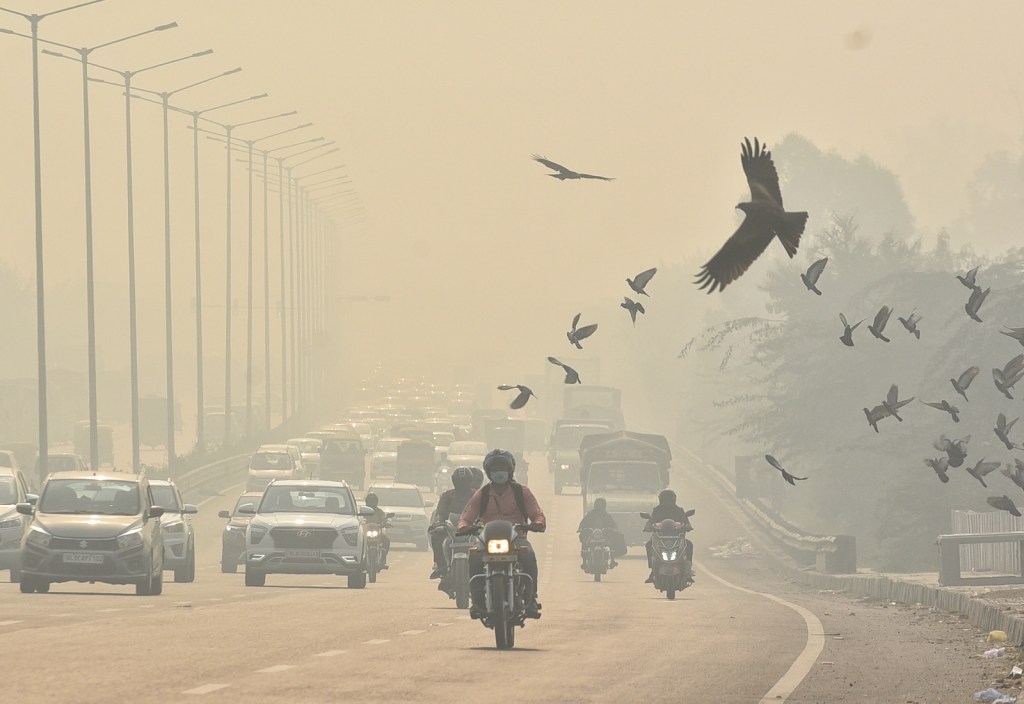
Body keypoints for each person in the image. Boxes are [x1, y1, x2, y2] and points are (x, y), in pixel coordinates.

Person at [459, 449, 546, 619]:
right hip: (486, 541)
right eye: (495, 469)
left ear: (510, 470)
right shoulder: (482, 494)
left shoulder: (522, 492)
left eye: (502, 468)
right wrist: (463, 527)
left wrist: (538, 523)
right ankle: (477, 600)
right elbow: (466, 517)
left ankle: (531, 598)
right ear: (489, 472)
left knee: (528, 556)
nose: (499, 472)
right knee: (474, 557)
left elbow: (537, 514)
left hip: (516, 540)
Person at [429, 466, 477, 583]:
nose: (462, 484)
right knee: (436, 535)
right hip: (451, 529)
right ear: (454, 481)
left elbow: (485, 510)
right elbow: (440, 512)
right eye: (459, 481)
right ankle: (442, 567)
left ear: (470, 481)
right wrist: (438, 523)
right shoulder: (447, 495)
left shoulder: (476, 495)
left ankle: (483, 569)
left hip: (473, 528)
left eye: (465, 481)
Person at [643, 489, 693, 584]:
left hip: (677, 537)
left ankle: (687, 570)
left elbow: (685, 520)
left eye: (669, 500)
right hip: (660, 537)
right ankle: (653, 570)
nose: (667, 503)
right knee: (649, 544)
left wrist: (687, 526)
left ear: (673, 500)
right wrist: (648, 527)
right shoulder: (657, 510)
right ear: (661, 500)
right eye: (665, 500)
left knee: (689, 544)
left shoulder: (679, 510)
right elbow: (651, 520)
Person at [577, 497, 622, 569]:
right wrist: (581, 529)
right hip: (592, 534)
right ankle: (584, 562)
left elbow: (613, 524)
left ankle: (612, 560)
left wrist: (614, 529)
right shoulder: (590, 515)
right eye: (598, 505)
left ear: (604, 506)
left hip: (604, 535)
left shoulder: (607, 515)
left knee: (612, 540)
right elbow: (583, 523)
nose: (600, 507)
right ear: (595, 505)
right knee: (584, 541)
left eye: (601, 505)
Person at [364, 492, 391, 569]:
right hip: (364, 534)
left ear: (376, 502)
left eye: (373, 501)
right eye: (370, 501)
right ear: (366, 502)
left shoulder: (379, 512)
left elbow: (384, 518)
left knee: (386, 541)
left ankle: (382, 560)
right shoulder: (363, 511)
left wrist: (386, 523)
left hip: (377, 534)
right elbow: (358, 518)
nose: (371, 503)